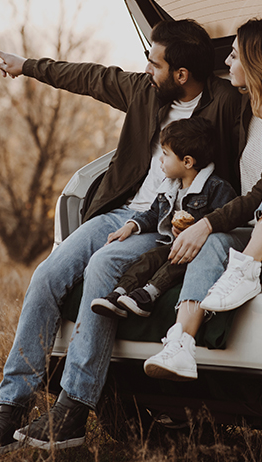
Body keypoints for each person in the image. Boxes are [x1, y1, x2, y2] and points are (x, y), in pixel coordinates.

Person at [0, 19, 241, 455]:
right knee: (46, 276)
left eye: (155, 64)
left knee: (101, 268)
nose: (147, 69)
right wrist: (28, 66)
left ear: (182, 75)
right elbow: (91, 77)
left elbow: (255, 145)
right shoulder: (146, 92)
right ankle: (10, 408)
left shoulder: (226, 103)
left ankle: (74, 407)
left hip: (167, 224)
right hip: (118, 214)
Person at [143, 18, 262, 381]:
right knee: (213, 242)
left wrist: (207, 222)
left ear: (258, 63)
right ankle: (181, 343)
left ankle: (245, 269)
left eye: (234, 56)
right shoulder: (248, 110)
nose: (228, 64)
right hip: (248, 231)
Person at [90, 117, 236, 321]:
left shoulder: (216, 188)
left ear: (187, 161)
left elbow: (224, 221)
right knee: (149, 258)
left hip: (196, 251)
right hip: (172, 244)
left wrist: (196, 229)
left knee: (174, 263)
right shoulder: (170, 187)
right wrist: (132, 226)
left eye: (165, 155)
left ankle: (148, 295)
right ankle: (119, 294)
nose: (160, 160)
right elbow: (153, 213)